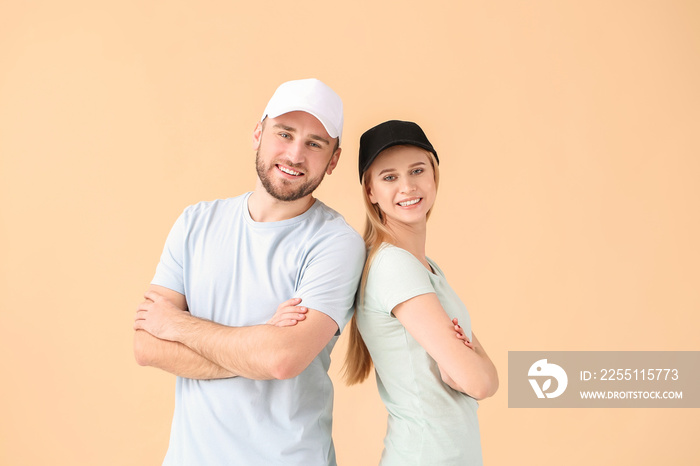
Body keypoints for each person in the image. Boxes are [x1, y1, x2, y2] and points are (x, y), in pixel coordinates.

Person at [133, 78, 366, 465]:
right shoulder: (195, 223)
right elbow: (146, 346)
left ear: (334, 160)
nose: (294, 154)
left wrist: (177, 326)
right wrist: (257, 343)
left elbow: (281, 360)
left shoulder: (336, 243)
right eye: (284, 133)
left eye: (314, 144)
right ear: (258, 133)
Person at [343, 120, 498, 465]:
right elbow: (480, 383)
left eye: (417, 170)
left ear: (434, 175)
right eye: (389, 177)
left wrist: (470, 364)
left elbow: (482, 377)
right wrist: (469, 361)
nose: (408, 186)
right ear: (370, 191)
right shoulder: (395, 267)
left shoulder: (425, 268)